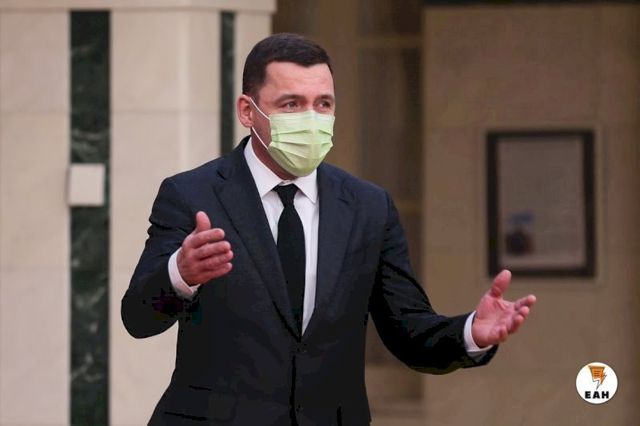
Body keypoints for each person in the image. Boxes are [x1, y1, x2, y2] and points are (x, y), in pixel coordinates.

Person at [121, 33, 536, 426]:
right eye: (291, 104)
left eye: (323, 104)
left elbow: (407, 330)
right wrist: (180, 275)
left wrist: (470, 333)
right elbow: (137, 318)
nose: (311, 119)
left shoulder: (369, 207)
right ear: (248, 111)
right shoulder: (192, 195)